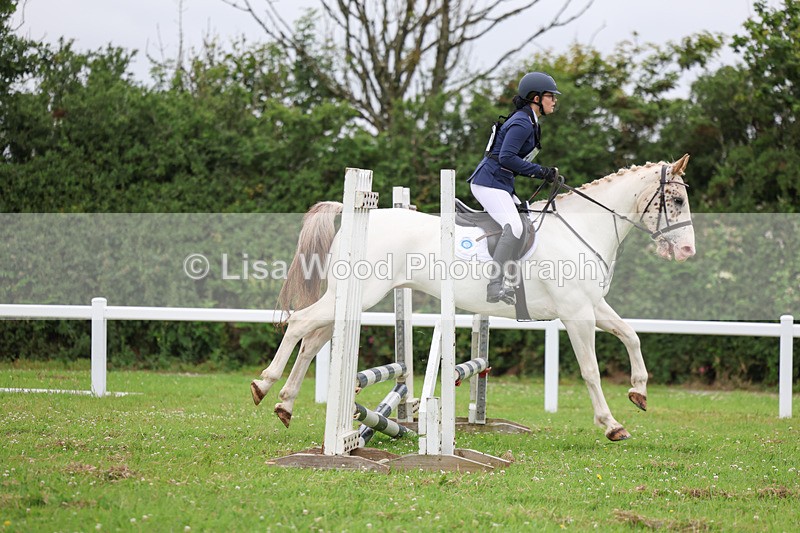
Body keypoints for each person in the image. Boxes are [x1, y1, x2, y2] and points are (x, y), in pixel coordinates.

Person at [467, 71, 560, 304]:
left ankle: (514, 278)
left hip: (501, 183)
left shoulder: (529, 120)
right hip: (488, 183)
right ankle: (494, 285)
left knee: (526, 221)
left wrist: (544, 172)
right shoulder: (521, 122)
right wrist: (541, 171)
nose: (554, 100)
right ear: (536, 98)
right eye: (550, 96)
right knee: (515, 227)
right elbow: (507, 158)